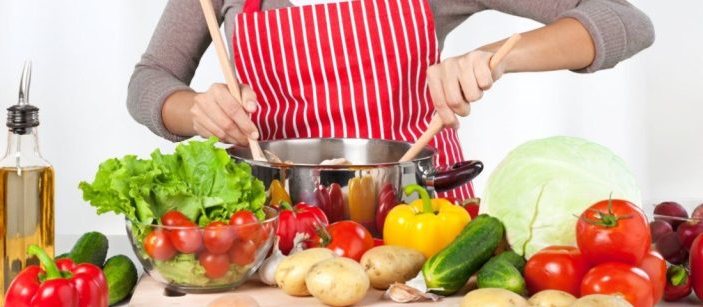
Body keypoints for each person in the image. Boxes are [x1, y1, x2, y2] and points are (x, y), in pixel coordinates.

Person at [127, 0, 653, 201]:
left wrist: (496, 57)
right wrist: (193, 108)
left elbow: (625, 21)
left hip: (421, 223)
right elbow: (151, 79)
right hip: (272, 229)